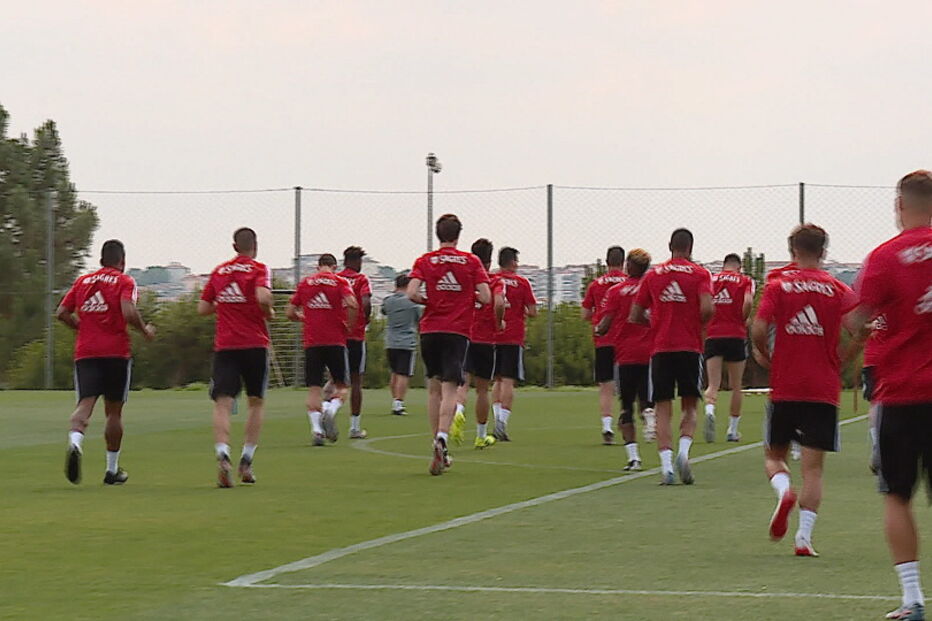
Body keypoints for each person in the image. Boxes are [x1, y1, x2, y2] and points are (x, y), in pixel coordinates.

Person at [851, 170, 932, 621]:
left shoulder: (884, 256)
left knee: (897, 495)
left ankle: (913, 599)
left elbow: (857, 319)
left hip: (902, 393)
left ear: (899, 204)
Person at [751, 224, 859, 558]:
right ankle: (804, 537)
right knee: (813, 469)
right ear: (824, 251)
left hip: (786, 384)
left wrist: (762, 354)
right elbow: (860, 328)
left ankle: (784, 489)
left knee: (774, 456)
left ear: (792, 251)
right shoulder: (838, 288)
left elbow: (758, 326)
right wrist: (843, 359)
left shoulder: (778, 285)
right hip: (822, 388)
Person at [58, 240, 155, 486]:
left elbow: (61, 313)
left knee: (85, 404)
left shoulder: (82, 282)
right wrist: (144, 331)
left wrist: (82, 328)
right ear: (122, 261)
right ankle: (111, 471)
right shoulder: (125, 281)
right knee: (114, 412)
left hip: (87, 352)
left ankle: (75, 442)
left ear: (101, 260)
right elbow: (128, 311)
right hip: (116, 353)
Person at [407, 214, 491, 475]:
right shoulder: (471, 261)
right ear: (458, 235)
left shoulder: (425, 260)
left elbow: (411, 292)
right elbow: (486, 297)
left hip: (430, 330)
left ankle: (437, 443)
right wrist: (468, 295)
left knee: (433, 389)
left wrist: (427, 302)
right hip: (457, 331)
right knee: (450, 389)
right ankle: (442, 437)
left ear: (437, 233)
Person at [630, 229, 713, 485]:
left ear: (669, 246)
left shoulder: (653, 274)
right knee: (690, 405)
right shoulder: (701, 274)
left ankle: (666, 466)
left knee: (663, 407)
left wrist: (655, 322)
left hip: (661, 348)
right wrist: (698, 323)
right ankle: (684, 453)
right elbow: (708, 307)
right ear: (691, 247)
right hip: (690, 347)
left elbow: (635, 314)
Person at [197, 228, 273, 487]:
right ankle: (247, 461)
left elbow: (202, 308)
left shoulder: (219, 271)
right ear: (255, 245)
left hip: (226, 345)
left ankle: (222, 455)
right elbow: (263, 296)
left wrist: (225, 305)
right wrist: (267, 311)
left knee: (222, 402)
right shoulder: (258, 269)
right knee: (255, 403)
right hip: (254, 343)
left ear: (234, 246)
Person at [286, 254, 358, 447]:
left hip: (312, 342)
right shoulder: (339, 281)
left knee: (314, 389)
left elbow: (289, 312)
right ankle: (331, 410)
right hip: (335, 340)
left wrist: (304, 318)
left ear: (318, 267)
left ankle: (317, 430)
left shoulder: (306, 283)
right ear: (334, 266)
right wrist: (348, 325)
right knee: (342, 386)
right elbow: (352, 303)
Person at [596, 248, 653, 470]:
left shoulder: (616, 291)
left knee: (626, 406)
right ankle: (649, 412)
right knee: (647, 397)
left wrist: (599, 329)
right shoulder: (650, 288)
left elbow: (605, 323)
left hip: (625, 354)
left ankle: (633, 457)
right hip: (649, 353)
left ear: (629, 265)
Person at [703, 253, 755, 442]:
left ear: (724, 265)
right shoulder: (744, 280)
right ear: (739, 266)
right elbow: (748, 301)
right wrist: (743, 317)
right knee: (736, 386)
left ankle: (710, 409)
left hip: (713, 333)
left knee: (713, 384)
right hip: (735, 333)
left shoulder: (712, 279)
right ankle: (732, 430)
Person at [491, 247, 538, 441]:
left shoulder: (492, 280)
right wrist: (522, 312)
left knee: (497, 379)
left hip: (492, 335)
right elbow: (533, 311)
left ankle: (496, 418)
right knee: (509, 380)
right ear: (512, 262)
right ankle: (502, 422)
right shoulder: (521, 283)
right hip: (513, 336)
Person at [582, 246, 628, 444]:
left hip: (603, 340)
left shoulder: (596, 284)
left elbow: (584, 314)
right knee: (628, 385)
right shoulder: (629, 283)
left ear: (607, 262)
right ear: (624, 262)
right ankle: (628, 422)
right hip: (625, 340)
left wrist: (598, 318)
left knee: (606, 386)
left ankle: (606, 426)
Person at [458, 238, 498, 449]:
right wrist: (499, 320)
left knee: (461, 382)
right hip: (485, 339)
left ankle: (457, 411)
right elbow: (498, 301)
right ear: (490, 261)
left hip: (464, 336)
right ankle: (481, 435)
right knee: (483, 390)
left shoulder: (465, 277)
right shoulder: (494, 280)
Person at [335, 246, 372, 439]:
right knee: (356, 380)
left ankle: (328, 412)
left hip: (336, 335)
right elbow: (365, 302)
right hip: (356, 335)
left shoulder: (336, 279)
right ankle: (355, 426)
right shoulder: (361, 279)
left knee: (336, 378)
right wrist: (365, 319)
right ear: (356, 261)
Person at [381, 273, 422, 416]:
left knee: (394, 373)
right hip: (407, 341)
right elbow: (420, 319)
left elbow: (384, 311)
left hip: (390, 341)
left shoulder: (388, 300)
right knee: (404, 374)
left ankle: (395, 399)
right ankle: (399, 402)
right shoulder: (412, 302)